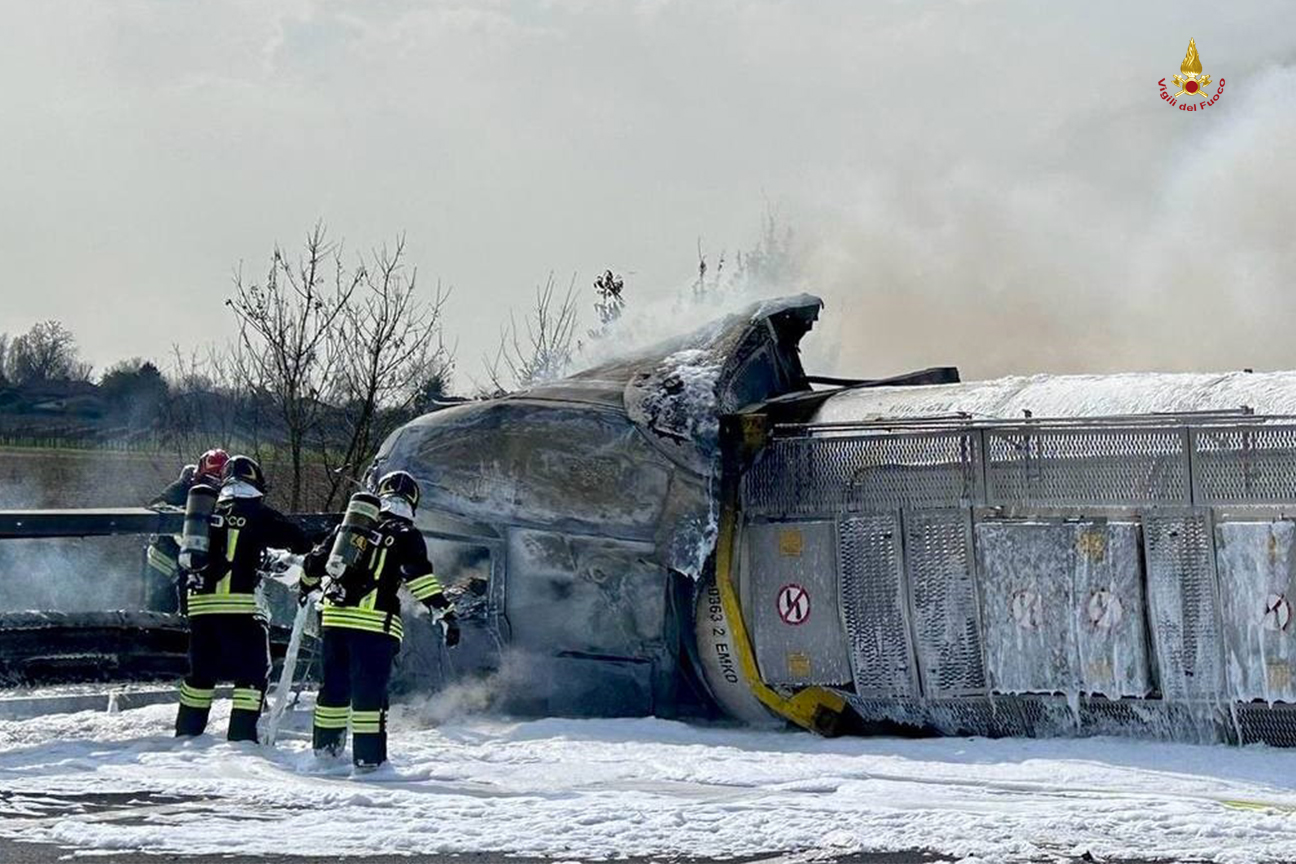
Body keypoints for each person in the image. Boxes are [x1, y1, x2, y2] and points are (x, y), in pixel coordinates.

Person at [300, 470, 460, 770]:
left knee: (333, 689)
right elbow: (419, 578)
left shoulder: (351, 527)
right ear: (412, 501)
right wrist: (445, 612)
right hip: (373, 627)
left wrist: (306, 587)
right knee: (368, 695)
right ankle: (369, 763)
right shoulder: (406, 534)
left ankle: (324, 756)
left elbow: (313, 563)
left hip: (334, 622)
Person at [175, 454, 311, 742]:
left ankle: (187, 737)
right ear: (255, 481)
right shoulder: (257, 512)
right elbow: (299, 541)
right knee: (252, 675)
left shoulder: (205, 512)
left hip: (200, 609)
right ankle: (242, 740)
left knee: (200, 677)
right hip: (240, 608)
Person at [144, 449, 229, 612]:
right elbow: (155, 506)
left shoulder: (223, 497)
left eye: (218, 483)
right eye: (208, 480)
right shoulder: (182, 488)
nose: (212, 486)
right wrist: (183, 514)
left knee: (189, 608)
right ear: (198, 475)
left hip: (193, 557)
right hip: (164, 555)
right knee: (159, 608)